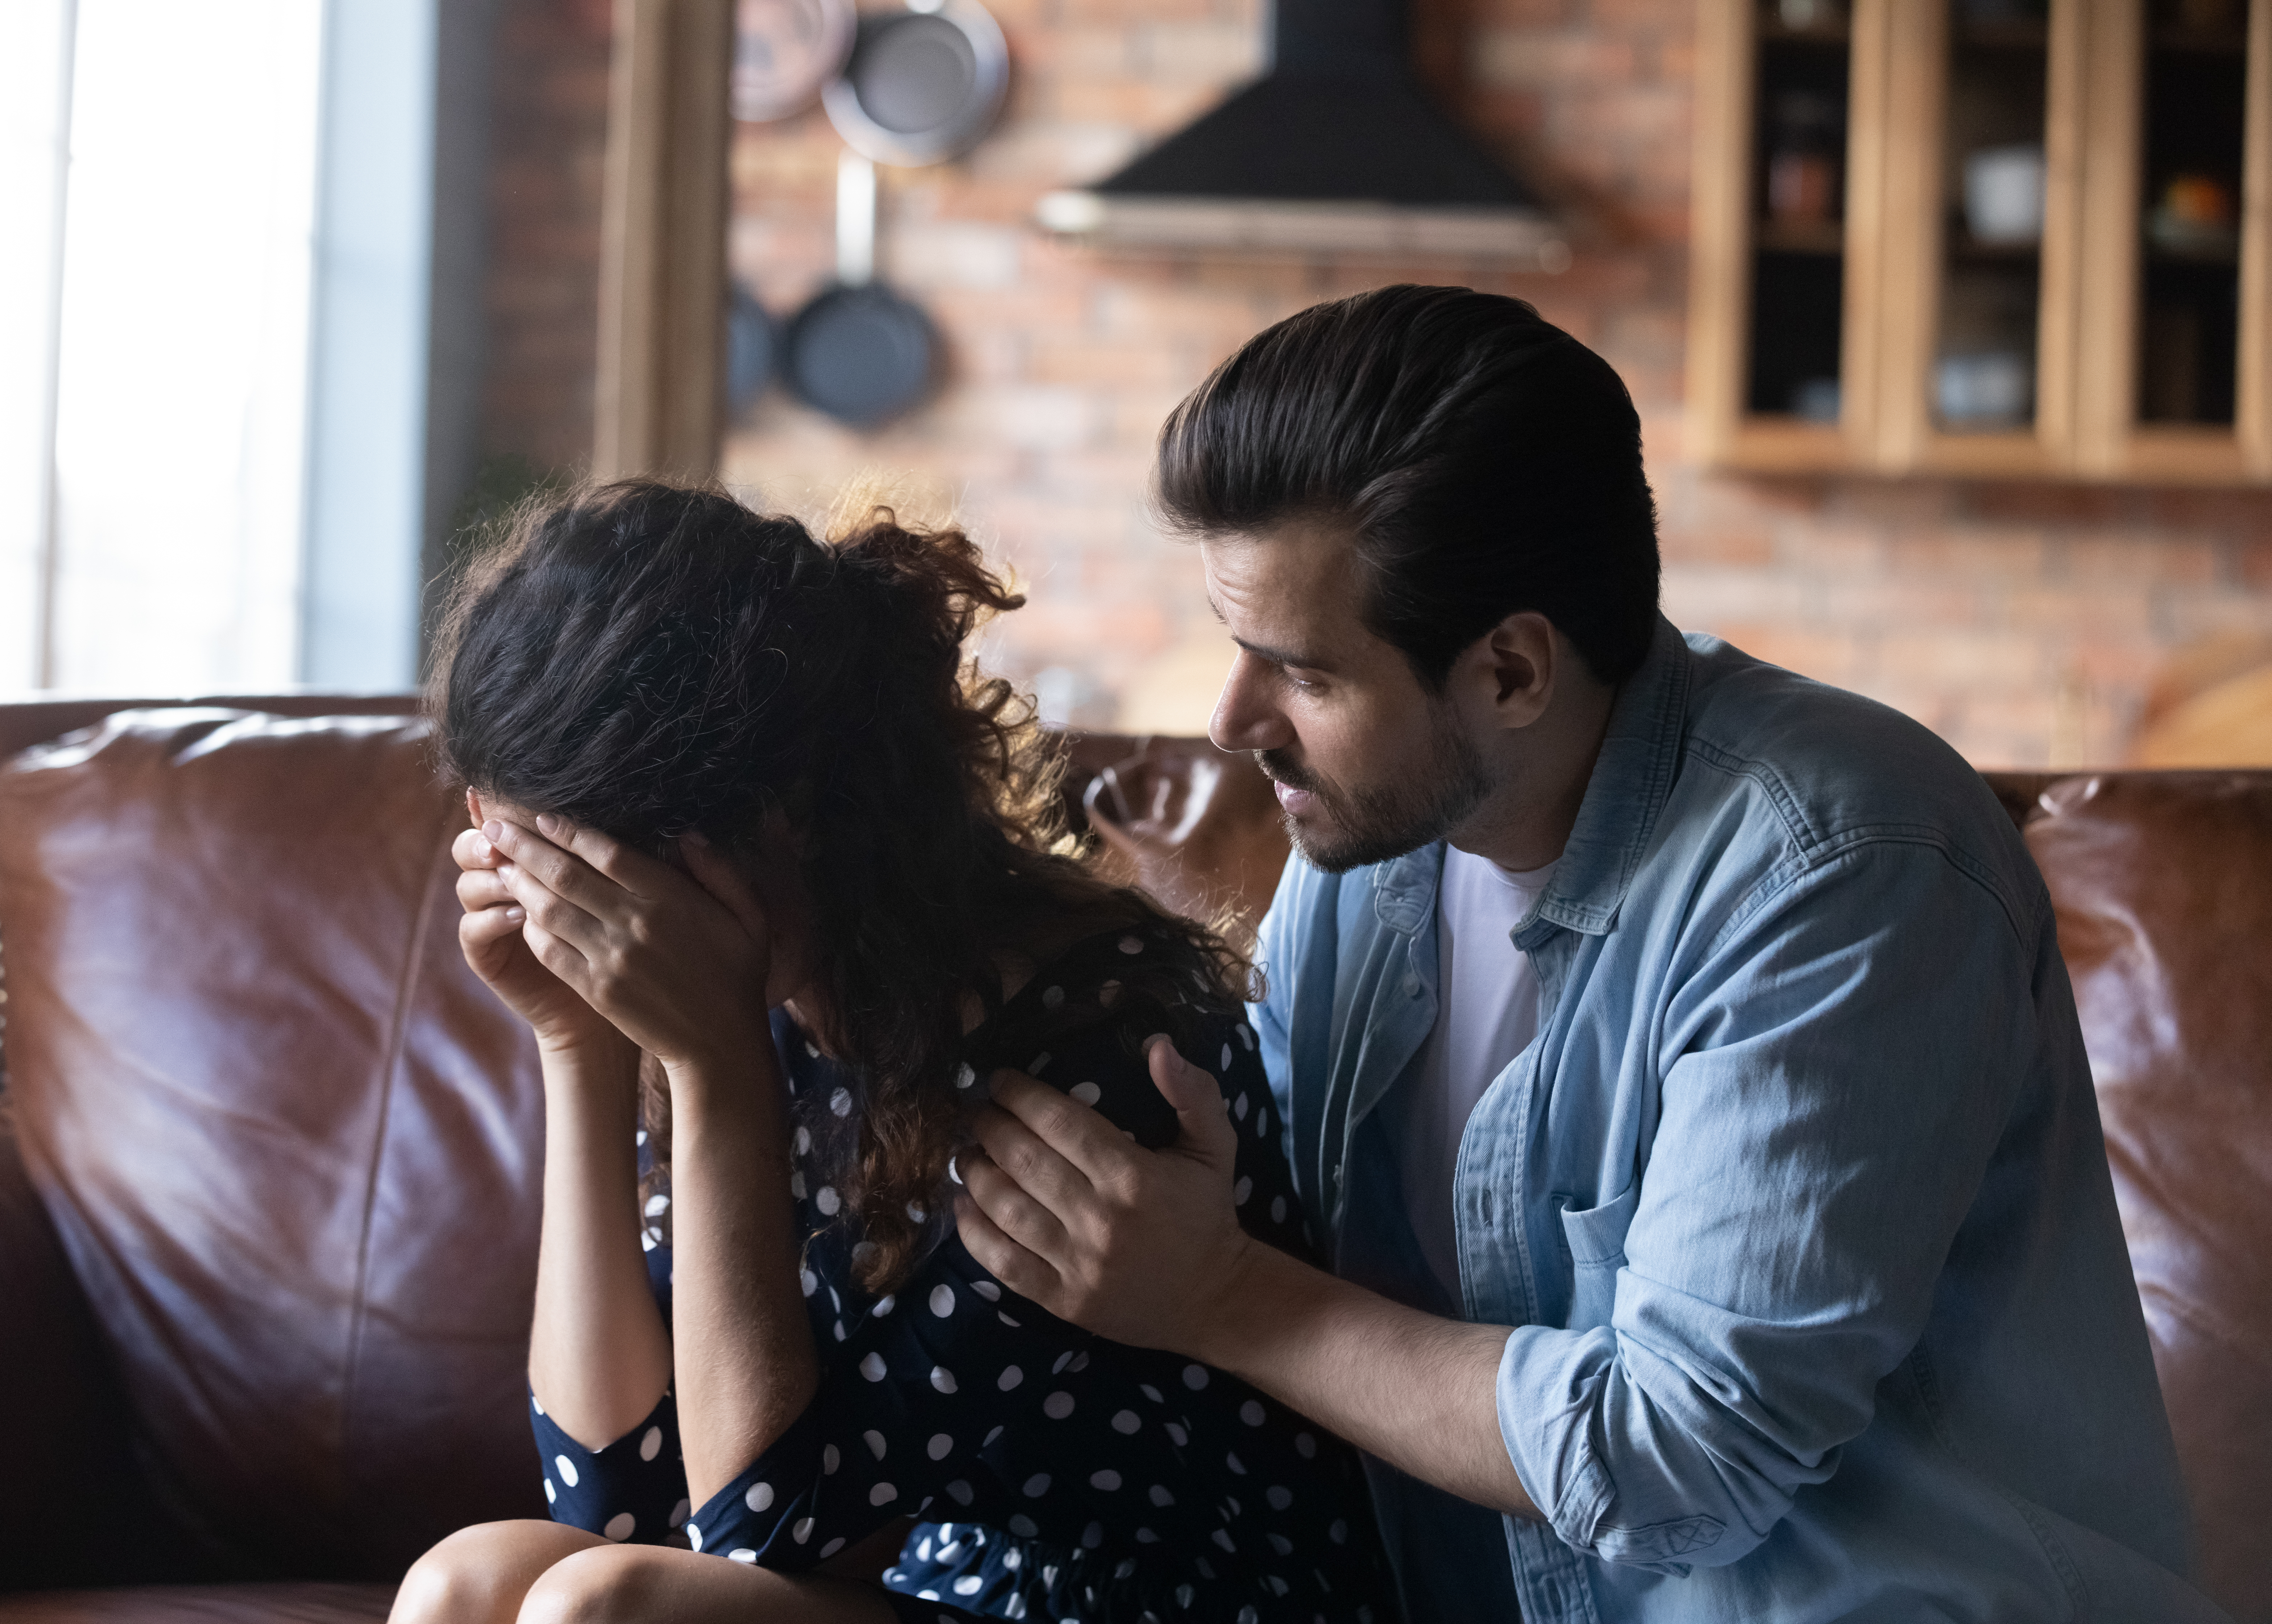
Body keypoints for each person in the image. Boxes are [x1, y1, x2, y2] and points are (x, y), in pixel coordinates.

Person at [950, 287, 2229, 1622]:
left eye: (1306, 677)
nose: (1230, 722)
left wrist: (1220, 1295)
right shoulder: (1366, 847)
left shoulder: (1842, 869)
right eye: (1236, 652)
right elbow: (1247, 1198)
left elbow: (1685, 1455)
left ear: (1511, 671)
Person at [388, 480, 1392, 1624]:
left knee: (608, 1611)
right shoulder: (754, 996)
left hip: (1178, 1609)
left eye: (592, 873)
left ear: (790, 814)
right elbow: (610, 1491)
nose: (566, 916)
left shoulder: (1091, 1048)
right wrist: (578, 1041)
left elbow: (757, 1533)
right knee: (462, 1583)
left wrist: (718, 1072)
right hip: (958, 1596)